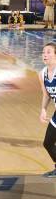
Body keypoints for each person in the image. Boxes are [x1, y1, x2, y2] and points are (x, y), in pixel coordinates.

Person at [39, 43, 56, 177]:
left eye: (49, 52)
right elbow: (46, 94)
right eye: (44, 52)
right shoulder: (43, 73)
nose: (45, 54)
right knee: (48, 143)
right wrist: (43, 109)